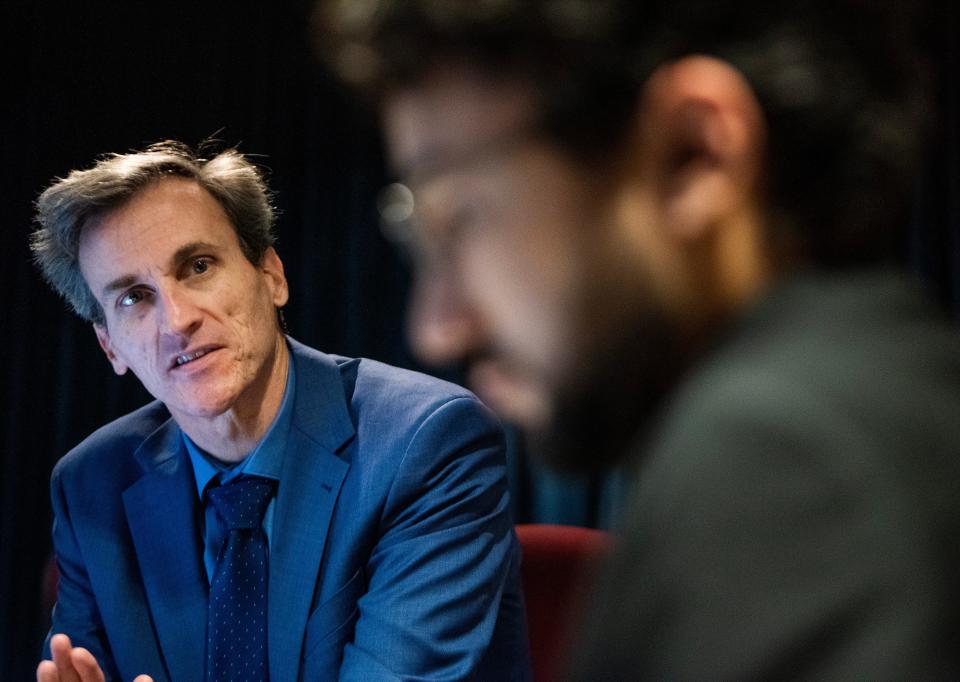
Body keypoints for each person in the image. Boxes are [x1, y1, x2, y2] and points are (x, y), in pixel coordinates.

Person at [318, 1, 960, 677]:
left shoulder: (783, 467)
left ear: (694, 155)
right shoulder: (885, 402)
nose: (437, 327)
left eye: (458, 215)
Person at [31, 141, 530, 681]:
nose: (176, 321)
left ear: (272, 276)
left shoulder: (427, 442)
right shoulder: (91, 485)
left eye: (198, 266)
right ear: (110, 347)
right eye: (133, 297)